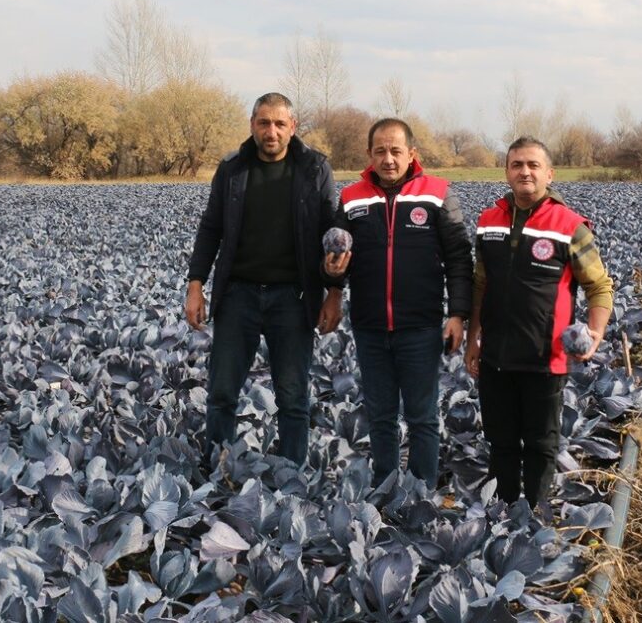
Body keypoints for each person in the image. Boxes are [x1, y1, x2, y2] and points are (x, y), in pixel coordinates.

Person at [185, 92, 341, 466]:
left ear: (293, 127)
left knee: (293, 395)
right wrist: (195, 284)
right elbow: (211, 227)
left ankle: (292, 474)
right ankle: (218, 468)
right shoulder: (233, 168)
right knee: (222, 391)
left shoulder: (315, 168)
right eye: (264, 123)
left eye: (279, 124)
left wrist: (335, 292)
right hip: (238, 294)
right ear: (252, 125)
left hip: (293, 297)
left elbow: (331, 231)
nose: (271, 132)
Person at [464, 136, 613, 508]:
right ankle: (503, 513)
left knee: (540, 443)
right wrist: (472, 339)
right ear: (506, 172)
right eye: (517, 165)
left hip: (545, 358)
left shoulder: (570, 226)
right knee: (500, 441)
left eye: (533, 165)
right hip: (496, 356)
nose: (525, 172)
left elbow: (599, 286)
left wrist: (595, 333)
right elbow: (480, 284)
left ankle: (536, 516)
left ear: (550, 174)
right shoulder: (488, 221)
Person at [324, 118, 473, 489]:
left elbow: (458, 258)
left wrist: (458, 314)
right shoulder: (352, 198)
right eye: (380, 151)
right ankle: (385, 489)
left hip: (420, 326)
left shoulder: (437, 194)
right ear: (369, 154)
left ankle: (422, 491)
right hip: (370, 326)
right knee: (380, 417)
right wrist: (332, 277)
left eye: (395, 151)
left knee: (423, 417)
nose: (388, 159)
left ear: (411, 154)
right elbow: (337, 255)